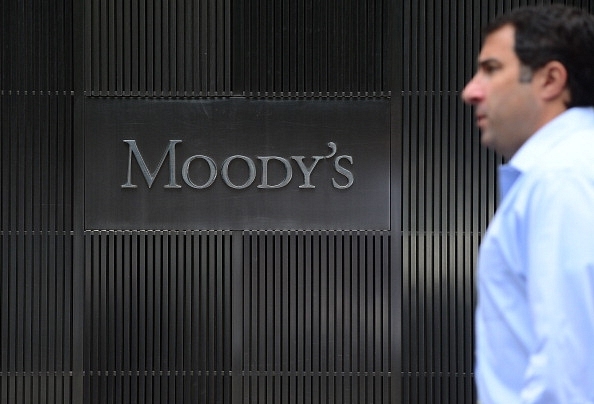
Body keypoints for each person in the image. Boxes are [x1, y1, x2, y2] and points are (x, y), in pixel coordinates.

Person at [462, 4, 594, 404]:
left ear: (550, 79)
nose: (470, 91)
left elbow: (566, 369)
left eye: (491, 68)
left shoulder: (560, 178)